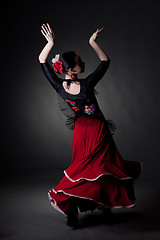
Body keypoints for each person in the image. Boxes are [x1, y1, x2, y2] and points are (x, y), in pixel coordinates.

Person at [38, 23, 143, 229]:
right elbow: (105, 61)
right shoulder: (86, 85)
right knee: (103, 169)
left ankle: (75, 212)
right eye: (79, 61)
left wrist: (50, 44)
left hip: (81, 133)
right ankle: (104, 208)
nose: (83, 62)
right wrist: (92, 42)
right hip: (98, 131)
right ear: (70, 69)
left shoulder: (59, 86)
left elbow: (42, 60)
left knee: (84, 171)